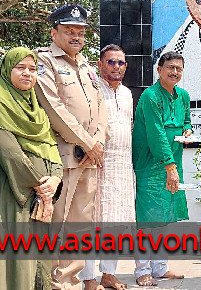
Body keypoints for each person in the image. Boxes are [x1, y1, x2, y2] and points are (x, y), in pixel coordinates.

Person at [0, 47, 63, 290]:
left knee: (39, 258)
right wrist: (41, 187)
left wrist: (55, 179)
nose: (27, 74)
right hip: (13, 193)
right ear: (6, 70)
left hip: (42, 196)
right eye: (20, 68)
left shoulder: (37, 110)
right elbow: (10, 155)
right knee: (16, 259)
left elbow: (51, 147)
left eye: (33, 69)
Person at [34, 4, 108, 289]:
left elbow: (101, 108)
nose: (76, 36)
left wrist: (98, 142)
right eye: (69, 31)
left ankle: (69, 283)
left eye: (80, 32)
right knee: (57, 223)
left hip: (89, 158)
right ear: (54, 32)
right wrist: (89, 143)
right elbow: (54, 108)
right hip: (62, 157)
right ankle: (49, 284)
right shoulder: (45, 62)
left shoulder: (87, 66)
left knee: (80, 225)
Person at [132, 51, 192, 287]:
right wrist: (169, 165)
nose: (174, 72)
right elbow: (156, 134)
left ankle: (160, 267)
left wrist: (187, 129)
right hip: (151, 165)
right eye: (170, 67)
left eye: (178, 68)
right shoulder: (150, 96)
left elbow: (186, 119)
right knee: (147, 219)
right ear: (159, 70)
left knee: (166, 216)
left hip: (172, 162)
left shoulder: (183, 96)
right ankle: (142, 270)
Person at [80, 45, 134, 290]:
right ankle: (88, 277)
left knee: (117, 222)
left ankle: (108, 273)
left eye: (121, 63)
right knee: (94, 220)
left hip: (123, 165)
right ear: (100, 64)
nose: (116, 67)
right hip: (98, 163)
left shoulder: (127, 94)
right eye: (111, 62)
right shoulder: (92, 90)